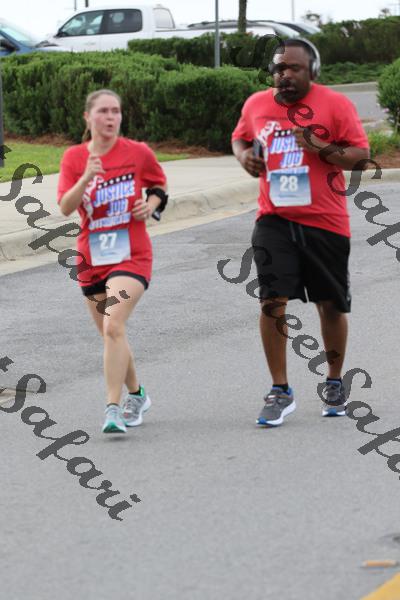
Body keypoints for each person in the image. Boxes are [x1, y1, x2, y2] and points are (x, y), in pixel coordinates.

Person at [231, 39, 370, 426]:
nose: (285, 75)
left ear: (313, 71)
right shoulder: (256, 104)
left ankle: (335, 382)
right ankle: (280, 389)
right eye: (279, 69)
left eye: (294, 68)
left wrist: (318, 145)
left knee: (331, 304)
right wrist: (244, 156)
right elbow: (240, 136)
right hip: (273, 219)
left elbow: (360, 157)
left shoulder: (336, 105)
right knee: (271, 301)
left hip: (326, 221)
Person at [57, 89, 168, 434]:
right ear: (87, 117)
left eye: (116, 111)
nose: (110, 117)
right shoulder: (74, 157)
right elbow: (65, 207)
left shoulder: (137, 152)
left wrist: (150, 206)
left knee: (113, 324)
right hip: (91, 258)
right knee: (111, 333)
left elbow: (159, 185)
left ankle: (112, 409)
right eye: (103, 111)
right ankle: (138, 394)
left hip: (131, 254)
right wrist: (86, 177)